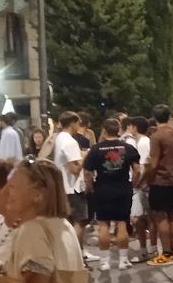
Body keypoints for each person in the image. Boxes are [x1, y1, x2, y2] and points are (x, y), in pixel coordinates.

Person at [84, 119, 142, 271]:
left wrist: (90, 187)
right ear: (118, 130)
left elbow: (88, 172)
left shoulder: (96, 149)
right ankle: (123, 260)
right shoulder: (127, 147)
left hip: (102, 189)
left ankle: (105, 262)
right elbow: (137, 169)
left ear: (104, 130)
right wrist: (134, 184)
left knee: (103, 224)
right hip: (123, 187)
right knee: (122, 223)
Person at [147, 105, 173, 266]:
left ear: (154, 117)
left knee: (160, 216)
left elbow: (154, 162)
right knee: (172, 216)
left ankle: (166, 253)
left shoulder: (157, 136)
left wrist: (148, 178)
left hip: (161, 180)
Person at [51, 112, 90, 252]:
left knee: (69, 222)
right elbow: (74, 169)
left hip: (62, 186)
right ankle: (74, 254)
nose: (79, 127)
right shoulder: (70, 142)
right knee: (80, 221)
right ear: (72, 123)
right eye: (78, 123)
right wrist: (84, 156)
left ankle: (79, 254)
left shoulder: (59, 138)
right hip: (73, 188)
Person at [125, 117, 154, 262]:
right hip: (143, 185)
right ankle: (148, 250)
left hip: (142, 186)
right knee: (144, 218)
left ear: (135, 127)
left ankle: (148, 250)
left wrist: (138, 183)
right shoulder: (144, 141)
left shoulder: (143, 143)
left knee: (141, 218)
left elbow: (144, 167)